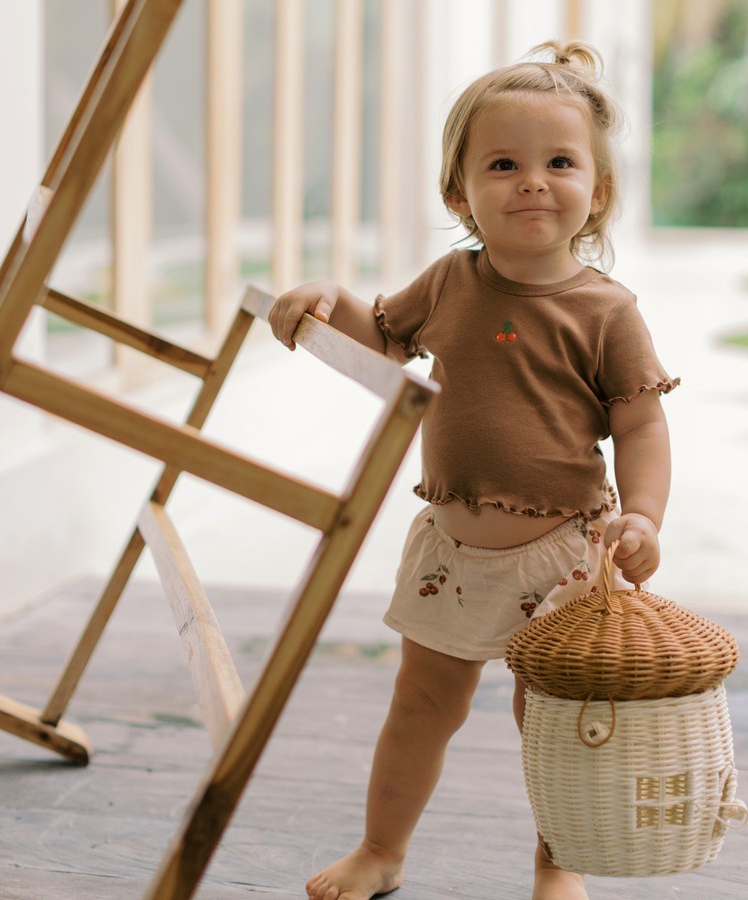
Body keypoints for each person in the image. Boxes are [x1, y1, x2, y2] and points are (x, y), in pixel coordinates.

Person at [269, 40, 678, 900]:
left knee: (555, 725)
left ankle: (556, 865)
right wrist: (324, 295)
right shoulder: (451, 281)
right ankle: (381, 850)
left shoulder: (606, 311)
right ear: (460, 192)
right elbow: (382, 333)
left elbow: (641, 423)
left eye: (559, 162)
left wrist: (642, 516)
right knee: (422, 708)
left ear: (596, 192)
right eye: (504, 163)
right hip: (453, 551)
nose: (532, 181)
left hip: (565, 555)